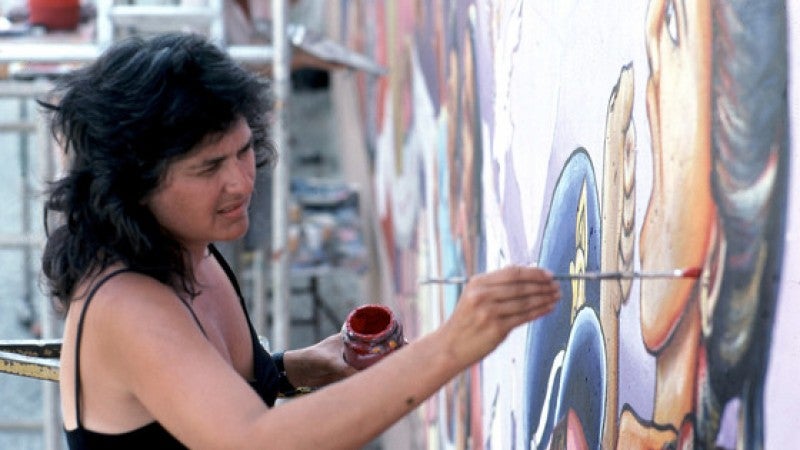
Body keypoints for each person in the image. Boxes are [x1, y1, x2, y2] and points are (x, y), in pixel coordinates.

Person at [40, 32, 561, 449]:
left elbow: (220, 390)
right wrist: (453, 345)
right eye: (209, 168)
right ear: (134, 184)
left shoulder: (187, 247)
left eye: (243, 151)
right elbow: (253, 439)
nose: (242, 182)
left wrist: (304, 366)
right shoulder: (126, 306)